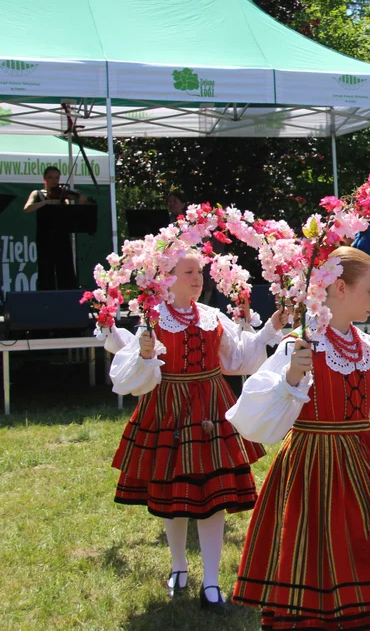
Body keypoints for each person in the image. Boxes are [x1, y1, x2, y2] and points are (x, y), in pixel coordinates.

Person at [225, 246, 370, 631]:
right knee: (315, 546)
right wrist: (291, 381)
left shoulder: (367, 349)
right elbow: (254, 414)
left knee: (366, 542)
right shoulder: (302, 343)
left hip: (362, 462)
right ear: (339, 288)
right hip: (311, 464)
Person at [109, 253, 287, 612]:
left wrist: (269, 328)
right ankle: (179, 566)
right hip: (169, 410)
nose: (197, 278)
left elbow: (238, 359)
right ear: (167, 278)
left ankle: (211, 582)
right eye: (189, 272)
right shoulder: (152, 319)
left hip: (210, 408)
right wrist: (145, 356)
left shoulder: (212, 316)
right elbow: (128, 378)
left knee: (214, 497)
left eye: (200, 272)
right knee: (176, 496)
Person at [23, 166, 90, 290]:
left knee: (65, 270)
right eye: (50, 177)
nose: (54, 181)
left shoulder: (63, 196)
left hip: (62, 237)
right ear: (44, 179)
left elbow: (71, 218)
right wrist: (46, 202)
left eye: (56, 178)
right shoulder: (37, 193)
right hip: (44, 238)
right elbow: (27, 208)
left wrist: (80, 203)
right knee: (45, 271)